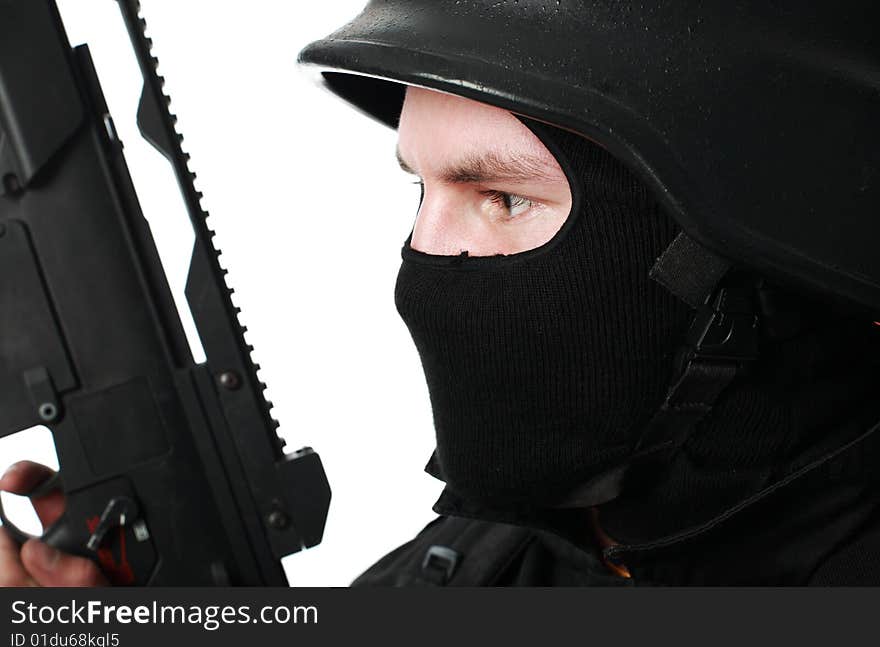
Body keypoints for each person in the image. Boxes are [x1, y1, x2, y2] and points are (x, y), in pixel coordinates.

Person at [4, 0, 880, 586]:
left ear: (753, 246)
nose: (423, 262)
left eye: (500, 197)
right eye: (418, 190)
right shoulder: (497, 548)